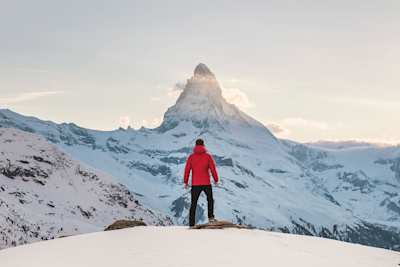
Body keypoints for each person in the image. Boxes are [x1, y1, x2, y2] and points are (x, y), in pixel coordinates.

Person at [184, 138, 219, 227]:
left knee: (193, 203)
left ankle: (191, 224)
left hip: (195, 184)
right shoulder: (208, 156)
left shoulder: (191, 157)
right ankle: (211, 218)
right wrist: (216, 180)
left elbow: (187, 170)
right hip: (206, 183)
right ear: (203, 145)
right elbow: (212, 169)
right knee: (210, 199)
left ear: (195, 145)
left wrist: (185, 181)